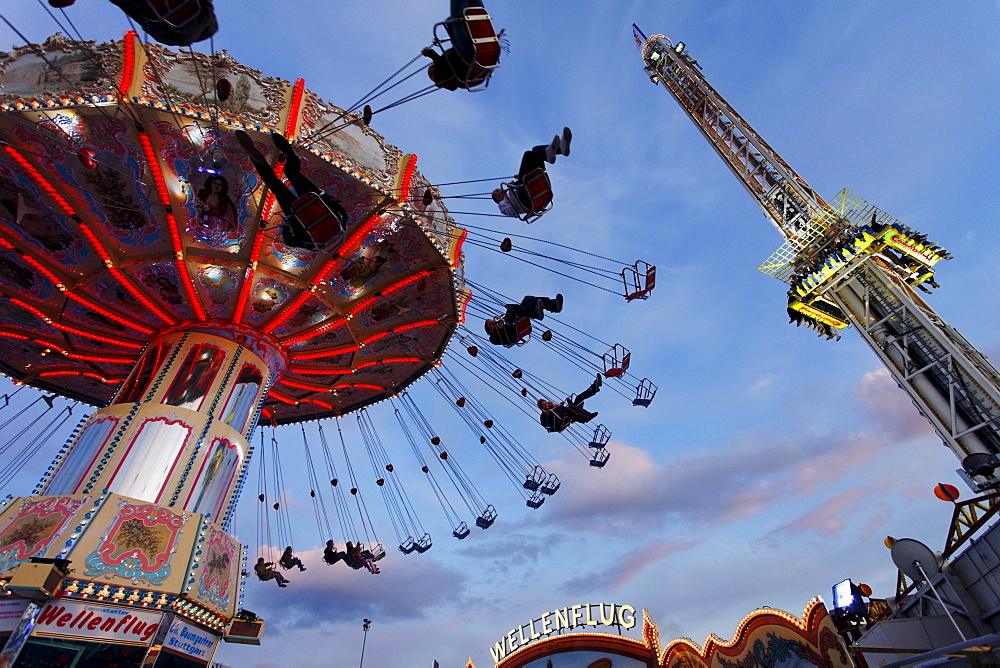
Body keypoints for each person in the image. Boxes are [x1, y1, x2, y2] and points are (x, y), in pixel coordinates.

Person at [235, 130, 349, 250]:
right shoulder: (312, 244)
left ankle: (292, 157)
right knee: (274, 184)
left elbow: (342, 213)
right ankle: (259, 163)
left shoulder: (341, 225)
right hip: (297, 213)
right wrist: (285, 228)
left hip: (317, 200)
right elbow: (289, 241)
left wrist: (328, 198)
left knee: (292, 173)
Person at [493, 128, 571, 218]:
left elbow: (518, 188)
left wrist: (517, 181)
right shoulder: (502, 205)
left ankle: (561, 149)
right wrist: (511, 189)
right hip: (527, 201)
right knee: (528, 155)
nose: (497, 191)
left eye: (497, 190)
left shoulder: (513, 191)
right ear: (497, 199)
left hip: (533, 189)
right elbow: (513, 211)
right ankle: (551, 153)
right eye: (495, 193)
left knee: (536, 149)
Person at [421, 1, 494, 90]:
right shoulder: (445, 78)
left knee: (453, 20)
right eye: (432, 73)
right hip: (468, 57)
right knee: (457, 18)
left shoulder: (449, 66)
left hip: (473, 57)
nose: (432, 71)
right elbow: (445, 66)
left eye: (431, 69)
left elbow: (446, 62)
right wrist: (430, 53)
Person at [484, 294, 562, 346]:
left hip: (512, 327)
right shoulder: (493, 338)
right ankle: (535, 313)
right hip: (511, 334)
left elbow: (508, 321)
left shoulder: (503, 324)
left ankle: (553, 306)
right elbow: (501, 332)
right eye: (491, 324)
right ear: (489, 330)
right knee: (511, 309)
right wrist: (501, 322)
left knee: (527, 299)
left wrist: (506, 315)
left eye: (492, 321)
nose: (493, 323)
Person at [538, 373, 603, 432]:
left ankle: (588, 414)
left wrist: (567, 402)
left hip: (568, 414)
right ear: (542, 408)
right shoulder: (546, 414)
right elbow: (545, 424)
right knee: (569, 408)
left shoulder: (554, 408)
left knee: (577, 400)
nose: (546, 404)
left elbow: (563, 409)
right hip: (561, 420)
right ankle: (584, 418)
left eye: (546, 403)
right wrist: (544, 413)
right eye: (544, 405)